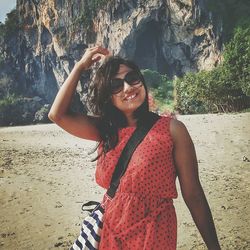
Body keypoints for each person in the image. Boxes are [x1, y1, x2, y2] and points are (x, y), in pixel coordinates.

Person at [48, 46, 221, 249]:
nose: (128, 88)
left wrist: (214, 247)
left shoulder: (172, 130)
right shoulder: (105, 129)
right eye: (115, 85)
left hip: (154, 231)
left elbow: (193, 195)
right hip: (111, 229)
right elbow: (57, 115)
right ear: (107, 96)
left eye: (132, 78)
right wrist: (79, 66)